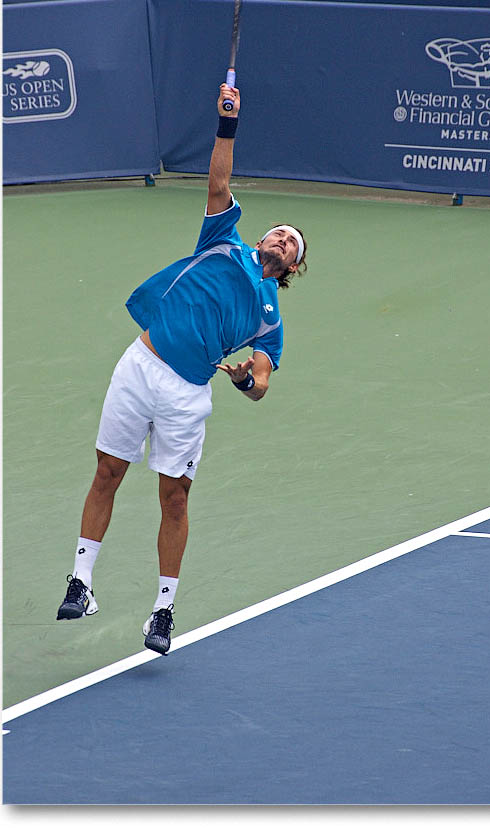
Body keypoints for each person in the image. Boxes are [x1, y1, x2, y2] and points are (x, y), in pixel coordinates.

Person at [56, 82, 308, 654]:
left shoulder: (270, 320)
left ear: (292, 267)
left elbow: (263, 382)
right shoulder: (223, 239)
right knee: (107, 473)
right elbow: (219, 182)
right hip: (140, 366)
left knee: (175, 499)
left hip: (187, 395)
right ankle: (81, 582)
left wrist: (248, 379)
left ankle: (163, 612)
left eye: (292, 243)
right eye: (278, 231)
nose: (282, 238)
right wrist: (228, 124)